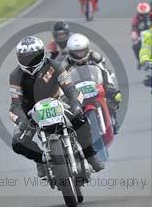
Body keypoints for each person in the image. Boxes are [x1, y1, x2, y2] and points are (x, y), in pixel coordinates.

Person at [9, 36, 105, 178]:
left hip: (58, 102)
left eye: (33, 56)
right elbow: (15, 104)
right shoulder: (15, 76)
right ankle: (40, 160)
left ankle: (90, 155)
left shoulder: (55, 66)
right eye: (25, 57)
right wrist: (22, 120)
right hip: (30, 111)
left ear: (42, 54)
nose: (30, 61)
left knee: (81, 119)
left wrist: (76, 105)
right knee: (18, 143)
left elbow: (71, 90)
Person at [64, 33, 123, 134]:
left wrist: (110, 87)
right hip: (78, 89)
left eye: (82, 51)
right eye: (76, 52)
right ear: (70, 52)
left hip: (95, 83)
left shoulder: (95, 57)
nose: (79, 55)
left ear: (87, 48)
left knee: (114, 97)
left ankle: (113, 117)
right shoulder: (66, 63)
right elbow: (64, 80)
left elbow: (104, 71)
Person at [131, 2, 152, 67]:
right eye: (142, 14)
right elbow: (134, 27)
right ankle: (140, 60)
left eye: (146, 14)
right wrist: (134, 34)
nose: (144, 16)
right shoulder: (136, 19)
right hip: (142, 36)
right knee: (135, 46)